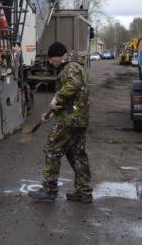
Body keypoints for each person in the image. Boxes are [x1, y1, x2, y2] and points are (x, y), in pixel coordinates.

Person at [29, 41, 93, 203]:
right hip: (78, 119)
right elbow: (74, 95)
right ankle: (84, 192)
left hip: (70, 120)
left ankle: (49, 189)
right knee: (77, 155)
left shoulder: (70, 67)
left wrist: (58, 97)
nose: (50, 62)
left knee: (52, 148)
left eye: (52, 58)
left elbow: (73, 85)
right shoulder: (76, 66)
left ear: (60, 56)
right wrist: (52, 112)